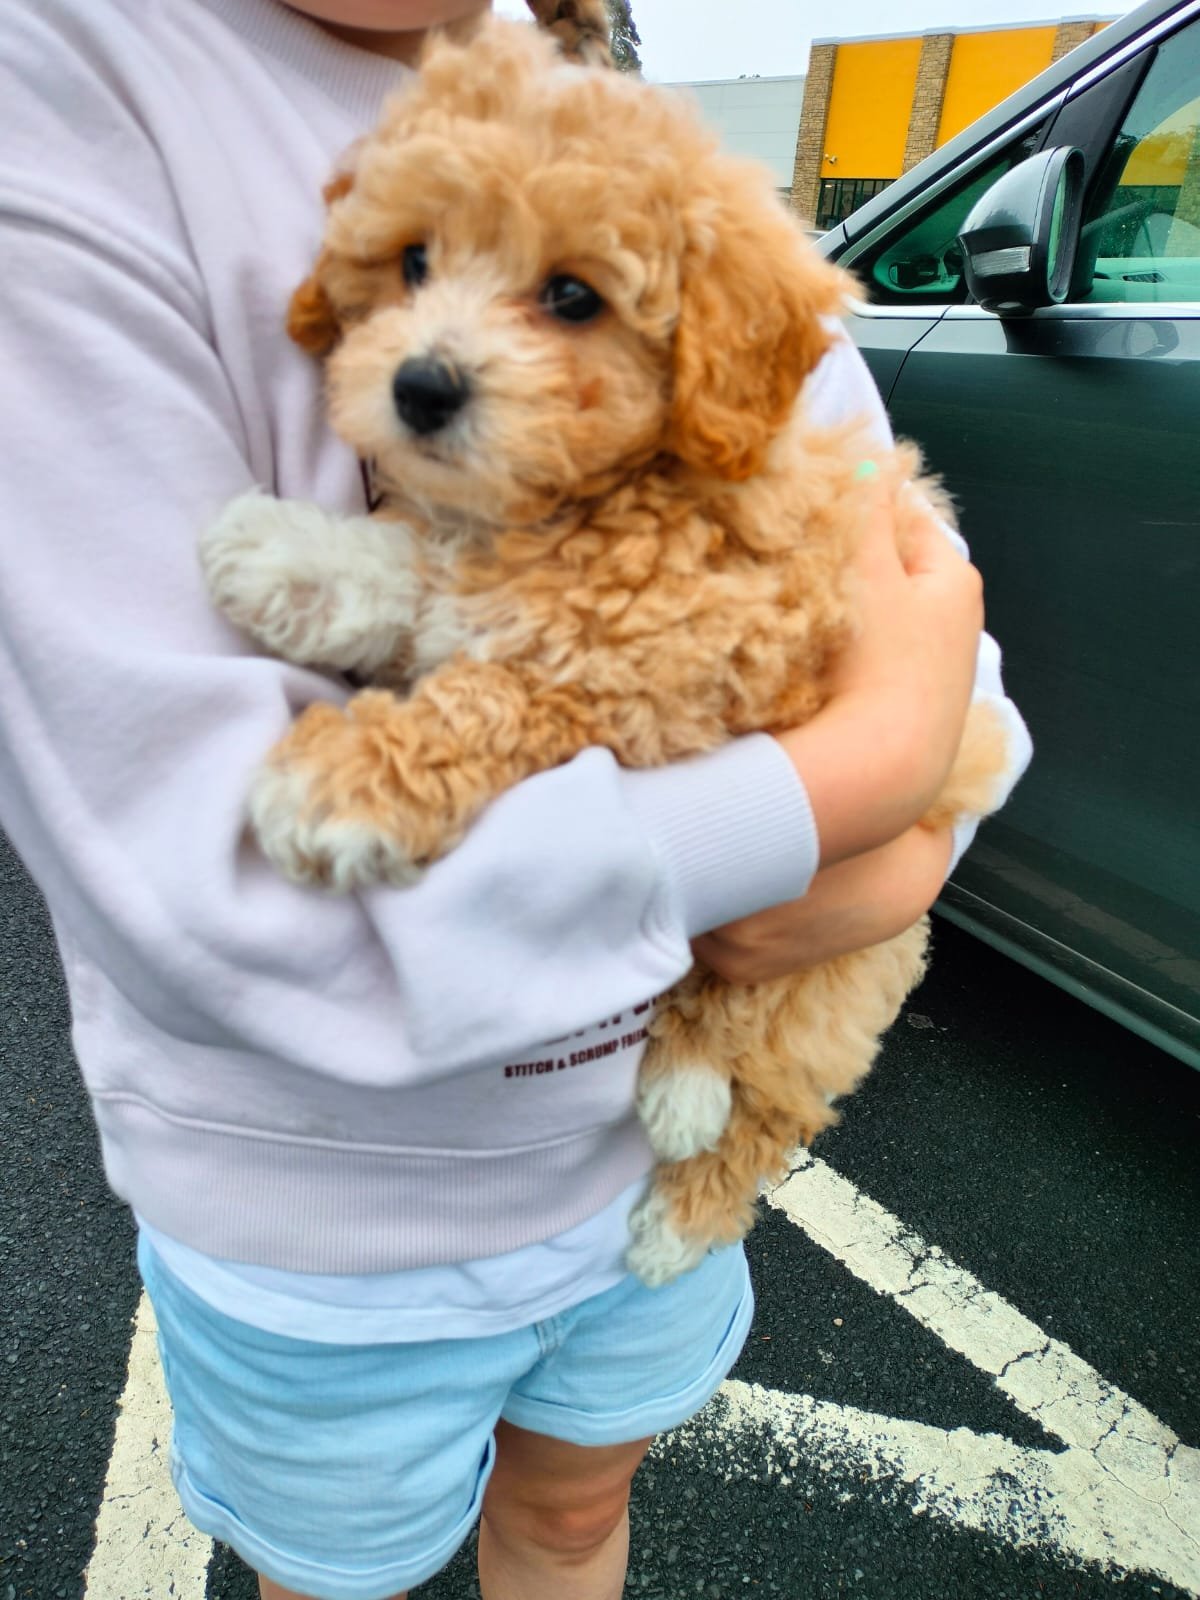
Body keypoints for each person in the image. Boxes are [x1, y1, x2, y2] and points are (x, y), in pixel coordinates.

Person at [0, 2, 1031, 1598]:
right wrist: (857, 781)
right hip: (327, 1215)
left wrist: (915, 811)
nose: (444, 345)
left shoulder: (639, 146)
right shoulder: (61, 91)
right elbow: (211, 878)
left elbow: (918, 609)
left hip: (638, 1155)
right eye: (409, 268)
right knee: (328, 1575)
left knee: (569, 1514)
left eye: (567, 299)